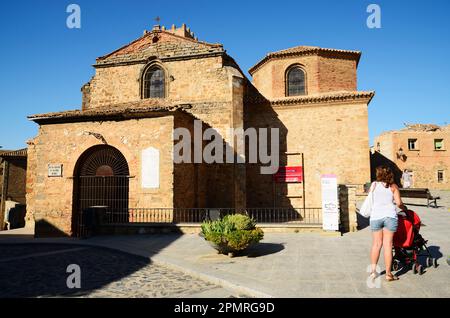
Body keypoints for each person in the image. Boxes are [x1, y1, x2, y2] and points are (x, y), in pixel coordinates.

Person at [369, 166, 406, 282]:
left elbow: (370, 199)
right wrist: (404, 208)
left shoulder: (374, 185)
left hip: (375, 217)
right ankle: (388, 274)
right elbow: (399, 203)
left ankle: (373, 272)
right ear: (391, 174)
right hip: (390, 217)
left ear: (378, 174)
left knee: (376, 245)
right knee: (388, 246)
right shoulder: (393, 187)